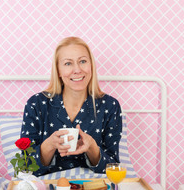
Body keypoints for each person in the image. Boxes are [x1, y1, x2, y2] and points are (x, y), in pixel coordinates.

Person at [21, 36, 122, 176]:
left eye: (83, 61)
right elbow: (26, 167)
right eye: (68, 63)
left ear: (91, 65)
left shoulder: (110, 106)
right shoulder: (36, 104)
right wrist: (49, 145)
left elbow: (113, 167)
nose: (77, 70)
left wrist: (92, 147)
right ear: (58, 71)